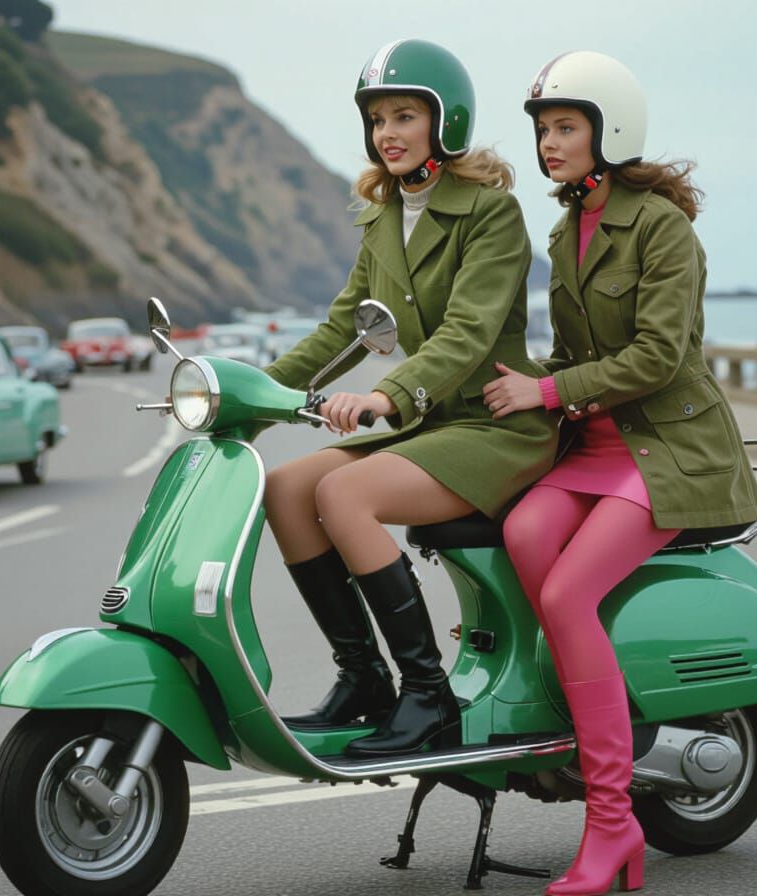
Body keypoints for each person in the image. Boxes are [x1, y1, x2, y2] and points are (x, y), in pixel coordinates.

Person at [483, 51, 757, 895]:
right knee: (521, 531)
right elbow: (569, 355)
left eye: (566, 127)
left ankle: (612, 823)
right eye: (543, 130)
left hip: (666, 448)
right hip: (595, 445)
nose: (551, 143)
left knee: (567, 598)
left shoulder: (662, 227)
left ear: (610, 132)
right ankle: (587, 709)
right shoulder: (567, 232)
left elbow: (656, 355)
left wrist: (550, 388)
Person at [261, 38, 557, 759]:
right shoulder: (381, 217)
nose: (386, 133)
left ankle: (426, 697)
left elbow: (465, 333)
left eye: (404, 115)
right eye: (377, 119)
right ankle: (362, 679)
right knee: (285, 489)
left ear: (443, 121)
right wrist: (253, 389)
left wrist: (384, 397)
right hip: (427, 422)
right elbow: (343, 328)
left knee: (347, 495)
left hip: (491, 424)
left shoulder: (491, 213)